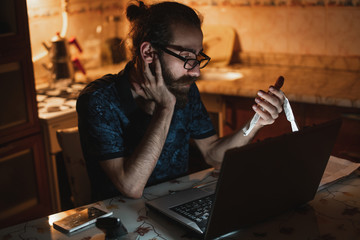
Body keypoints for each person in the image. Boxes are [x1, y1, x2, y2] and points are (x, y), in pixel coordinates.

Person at [76, 0, 285, 201]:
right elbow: (131, 187)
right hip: (119, 223)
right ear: (149, 52)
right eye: (186, 57)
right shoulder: (99, 101)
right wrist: (165, 107)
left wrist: (256, 122)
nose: (195, 72)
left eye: (197, 57)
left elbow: (213, 155)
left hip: (172, 209)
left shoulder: (183, 88)